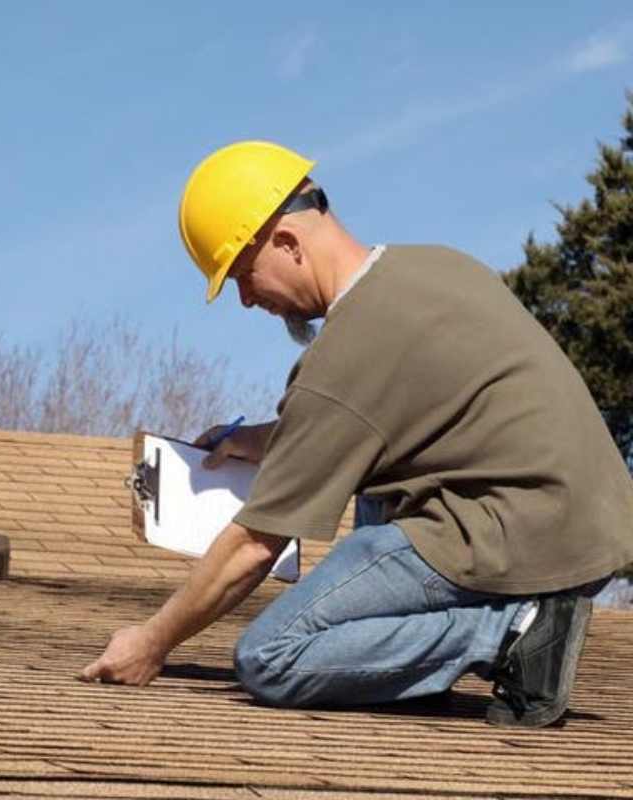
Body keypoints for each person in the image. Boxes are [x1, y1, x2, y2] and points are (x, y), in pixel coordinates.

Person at [81, 141, 633, 727]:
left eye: (244, 275)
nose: (246, 300)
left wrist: (154, 639)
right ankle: (417, 673)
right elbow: (377, 419)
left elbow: (253, 545)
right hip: (580, 523)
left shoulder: (344, 355)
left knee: (270, 656)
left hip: (514, 536)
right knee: (373, 481)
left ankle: (512, 633)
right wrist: (268, 439)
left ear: (288, 244)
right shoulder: (432, 268)